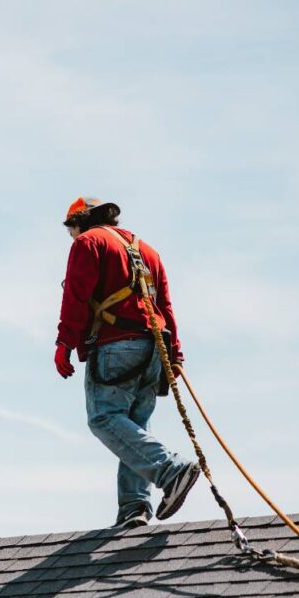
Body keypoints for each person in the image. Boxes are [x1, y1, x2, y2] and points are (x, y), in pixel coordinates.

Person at [54, 197, 200, 529]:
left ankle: (170, 470)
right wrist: (175, 354)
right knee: (135, 422)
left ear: (82, 222)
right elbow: (165, 303)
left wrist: (64, 343)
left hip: (117, 345)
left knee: (104, 418)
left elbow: (75, 296)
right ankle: (134, 507)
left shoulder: (89, 243)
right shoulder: (147, 250)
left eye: (71, 231)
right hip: (154, 349)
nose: (72, 239)